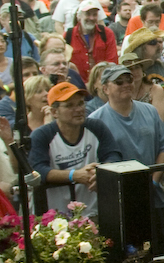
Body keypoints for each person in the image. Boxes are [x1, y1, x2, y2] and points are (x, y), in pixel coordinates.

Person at [93, 61, 164, 252]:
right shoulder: (96, 120)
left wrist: (153, 182)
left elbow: (163, 148)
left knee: (159, 248)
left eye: (128, 80)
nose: (126, 85)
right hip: (119, 201)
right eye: (119, 82)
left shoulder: (149, 111)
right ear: (105, 88)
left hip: (153, 196)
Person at [29, 82, 123, 215]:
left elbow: (113, 155)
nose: (78, 109)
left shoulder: (96, 127)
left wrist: (102, 174)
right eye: (69, 106)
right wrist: (74, 175)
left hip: (93, 211)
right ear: (54, 112)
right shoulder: (42, 135)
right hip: (55, 217)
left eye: (80, 103)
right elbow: (38, 170)